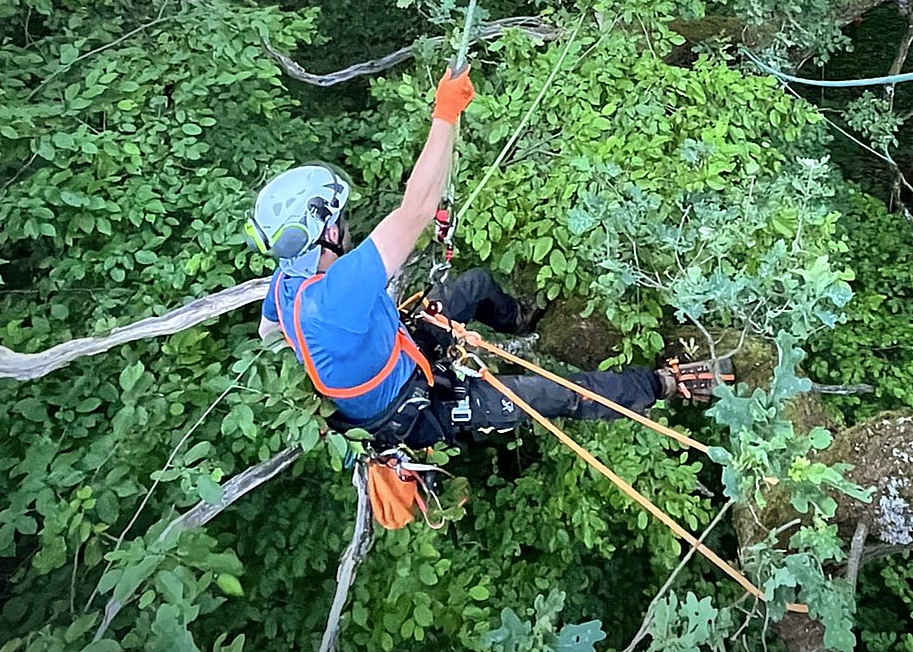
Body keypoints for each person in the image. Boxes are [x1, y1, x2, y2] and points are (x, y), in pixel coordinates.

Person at [245, 68, 729, 450]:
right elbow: (413, 209)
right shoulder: (337, 292)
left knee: (473, 285)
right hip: (415, 412)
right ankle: (663, 385)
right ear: (328, 229)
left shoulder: (289, 285)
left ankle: (521, 322)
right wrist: (445, 115)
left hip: (398, 353)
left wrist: (348, 354)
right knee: (554, 394)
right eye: (342, 218)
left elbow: (271, 334)